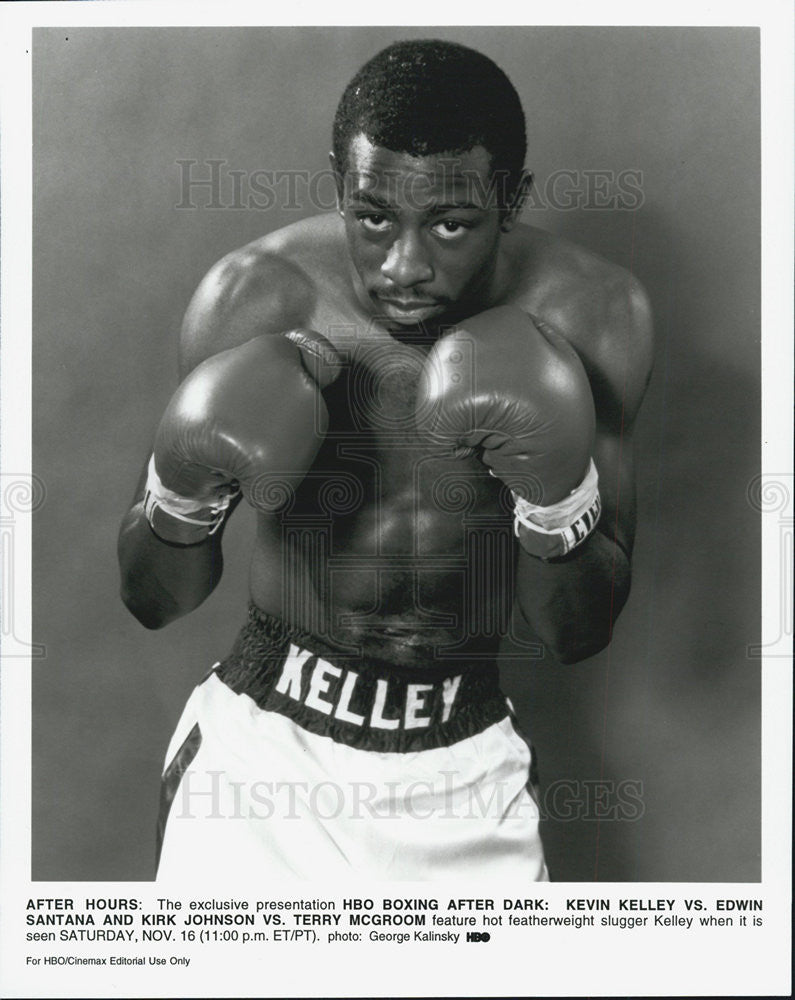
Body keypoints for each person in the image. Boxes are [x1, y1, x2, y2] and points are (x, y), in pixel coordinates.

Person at [118, 39, 652, 881]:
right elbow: (153, 599)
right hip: (263, 762)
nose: (404, 267)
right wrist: (180, 496)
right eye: (372, 217)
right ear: (339, 185)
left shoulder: (593, 314)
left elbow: (578, 630)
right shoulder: (257, 296)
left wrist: (555, 503)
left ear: (509, 199)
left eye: (450, 224)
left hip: (464, 765)